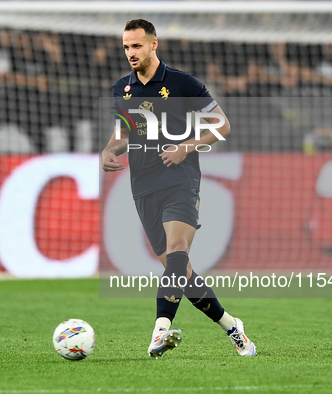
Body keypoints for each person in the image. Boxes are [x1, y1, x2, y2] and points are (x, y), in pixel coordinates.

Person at [101, 19, 257, 359]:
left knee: (177, 254)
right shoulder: (122, 89)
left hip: (181, 182)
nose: (131, 52)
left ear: (154, 44)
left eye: (137, 46)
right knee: (181, 274)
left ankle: (159, 331)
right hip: (142, 187)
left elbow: (222, 125)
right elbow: (125, 135)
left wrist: (186, 146)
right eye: (126, 47)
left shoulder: (182, 83)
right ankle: (233, 326)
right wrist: (109, 150)